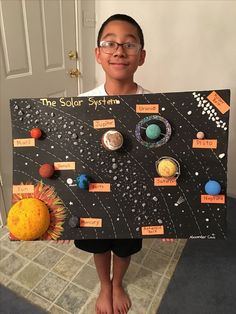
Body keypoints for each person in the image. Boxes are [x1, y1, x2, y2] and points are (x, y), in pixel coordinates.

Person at [75, 14, 149, 314]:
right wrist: (66, 212)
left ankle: (117, 283)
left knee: (125, 246)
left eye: (129, 44)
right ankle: (104, 286)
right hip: (95, 196)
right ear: (98, 54)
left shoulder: (157, 105)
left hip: (134, 199)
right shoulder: (81, 104)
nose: (119, 50)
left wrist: (172, 214)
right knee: (99, 244)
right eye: (109, 43)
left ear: (141, 56)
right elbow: (72, 159)